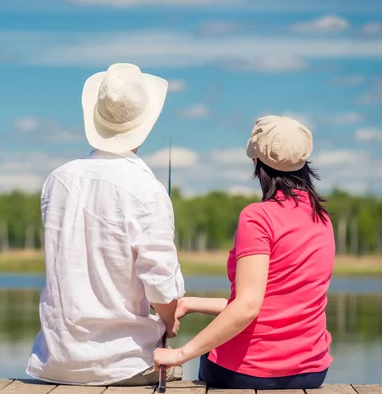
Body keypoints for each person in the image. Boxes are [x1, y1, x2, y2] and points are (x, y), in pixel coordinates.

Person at [26, 63, 186, 386]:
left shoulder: (57, 180)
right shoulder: (148, 190)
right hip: (124, 365)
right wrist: (169, 322)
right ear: (145, 123)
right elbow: (161, 288)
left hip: (53, 362)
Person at [153, 115, 335, 390]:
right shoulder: (321, 218)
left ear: (256, 162)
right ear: (304, 163)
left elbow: (248, 307)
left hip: (249, 370)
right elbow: (270, 305)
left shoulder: (257, 217)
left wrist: (178, 355)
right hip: (313, 371)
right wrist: (190, 304)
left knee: (204, 358)